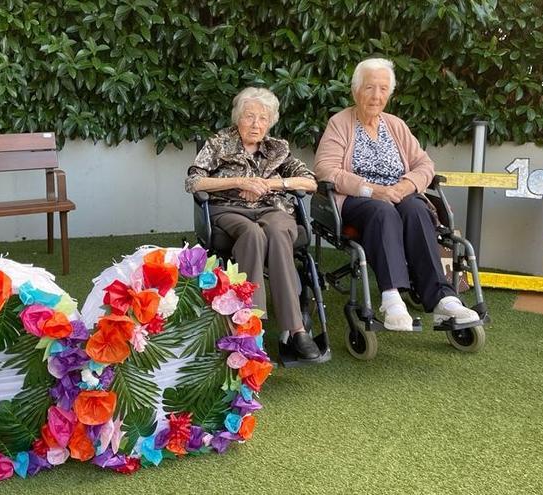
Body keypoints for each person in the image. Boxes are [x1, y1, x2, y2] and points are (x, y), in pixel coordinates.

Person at [314, 58, 480, 331]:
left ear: (389, 94)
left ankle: (441, 298)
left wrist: (407, 186)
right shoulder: (340, 123)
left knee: (415, 209)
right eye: (369, 88)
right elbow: (326, 170)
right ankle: (391, 298)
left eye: (383, 89)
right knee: (382, 210)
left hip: (399, 194)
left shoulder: (395, 125)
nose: (376, 96)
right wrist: (372, 190)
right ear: (356, 91)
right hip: (359, 199)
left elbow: (425, 164)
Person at [186, 87, 323, 360]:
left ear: (270, 122)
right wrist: (239, 182)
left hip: (272, 208)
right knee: (252, 234)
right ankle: (252, 329)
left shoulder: (278, 148)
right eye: (249, 116)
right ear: (238, 118)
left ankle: (296, 330)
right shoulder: (218, 143)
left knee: (277, 231)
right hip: (229, 209)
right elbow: (194, 182)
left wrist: (267, 184)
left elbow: (310, 182)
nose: (256, 124)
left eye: (263, 118)